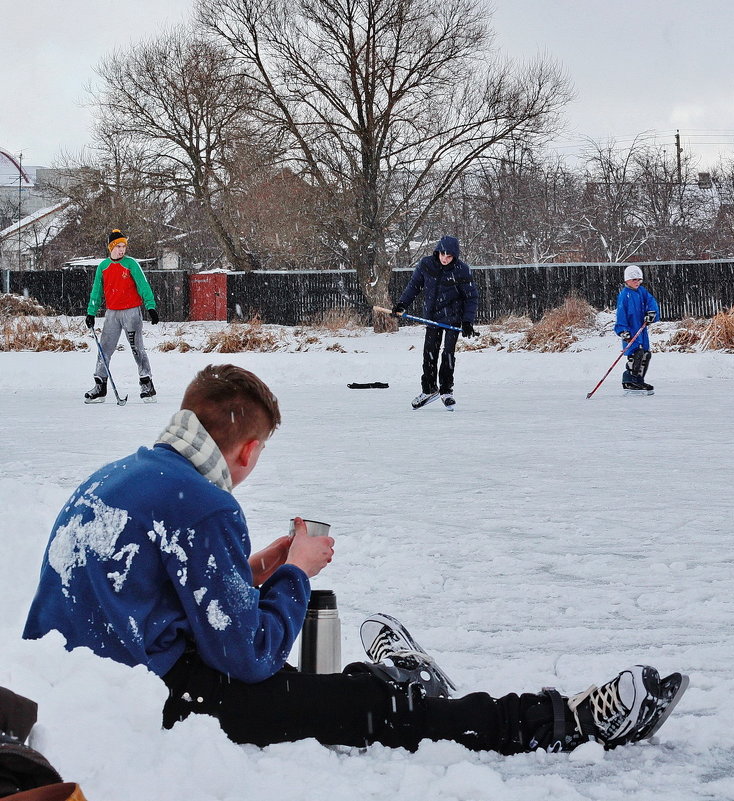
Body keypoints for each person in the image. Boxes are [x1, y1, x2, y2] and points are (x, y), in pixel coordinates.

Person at [23, 364, 687, 754]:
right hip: (160, 704)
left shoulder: (119, 475)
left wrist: (252, 572)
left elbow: (143, 596)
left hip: (81, 690)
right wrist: (296, 572)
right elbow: (247, 656)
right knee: (371, 708)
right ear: (248, 450)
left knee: (337, 688)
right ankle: (562, 720)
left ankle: (402, 681)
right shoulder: (203, 503)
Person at [392, 236, 479, 410]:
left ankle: (446, 391)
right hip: (432, 317)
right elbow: (414, 285)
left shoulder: (461, 270)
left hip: (453, 317)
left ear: (455, 256)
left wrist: (468, 322)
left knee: (448, 354)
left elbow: (471, 297)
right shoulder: (426, 264)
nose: (445, 259)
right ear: (437, 251)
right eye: (443, 254)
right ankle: (429, 389)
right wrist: (402, 303)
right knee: (429, 353)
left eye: (449, 256)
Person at [84, 229, 159, 404]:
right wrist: (91, 312)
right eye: (118, 246)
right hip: (112, 314)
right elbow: (96, 291)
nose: (122, 249)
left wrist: (151, 306)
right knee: (104, 349)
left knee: (137, 348)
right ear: (111, 247)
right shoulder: (103, 267)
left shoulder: (131, 264)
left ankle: (147, 384)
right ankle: (100, 386)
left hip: (131, 312)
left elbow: (143, 285)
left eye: (124, 246)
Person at [614, 265, 660, 392]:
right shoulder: (624, 295)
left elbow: (651, 302)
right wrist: (622, 330)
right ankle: (630, 379)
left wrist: (651, 313)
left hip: (641, 328)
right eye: (634, 280)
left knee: (646, 353)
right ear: (627, 280)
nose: (637, 283)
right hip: (631, 329)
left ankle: (639, 379)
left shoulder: (642, 291)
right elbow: (621, 314)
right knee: (636, 353)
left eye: (639, 280)